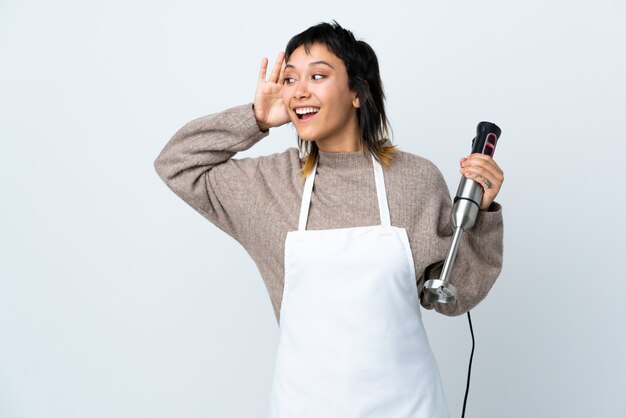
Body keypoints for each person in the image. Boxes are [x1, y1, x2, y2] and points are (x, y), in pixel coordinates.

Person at [154, 21, 503, 418]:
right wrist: (255, 119)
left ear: (357, 92)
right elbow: (176, 163)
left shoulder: (415, 181)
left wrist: (484, 214)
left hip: (409, 408)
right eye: (290, 79)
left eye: (318, 75)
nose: (300, 90)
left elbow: (457, 295)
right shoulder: (268, 186)